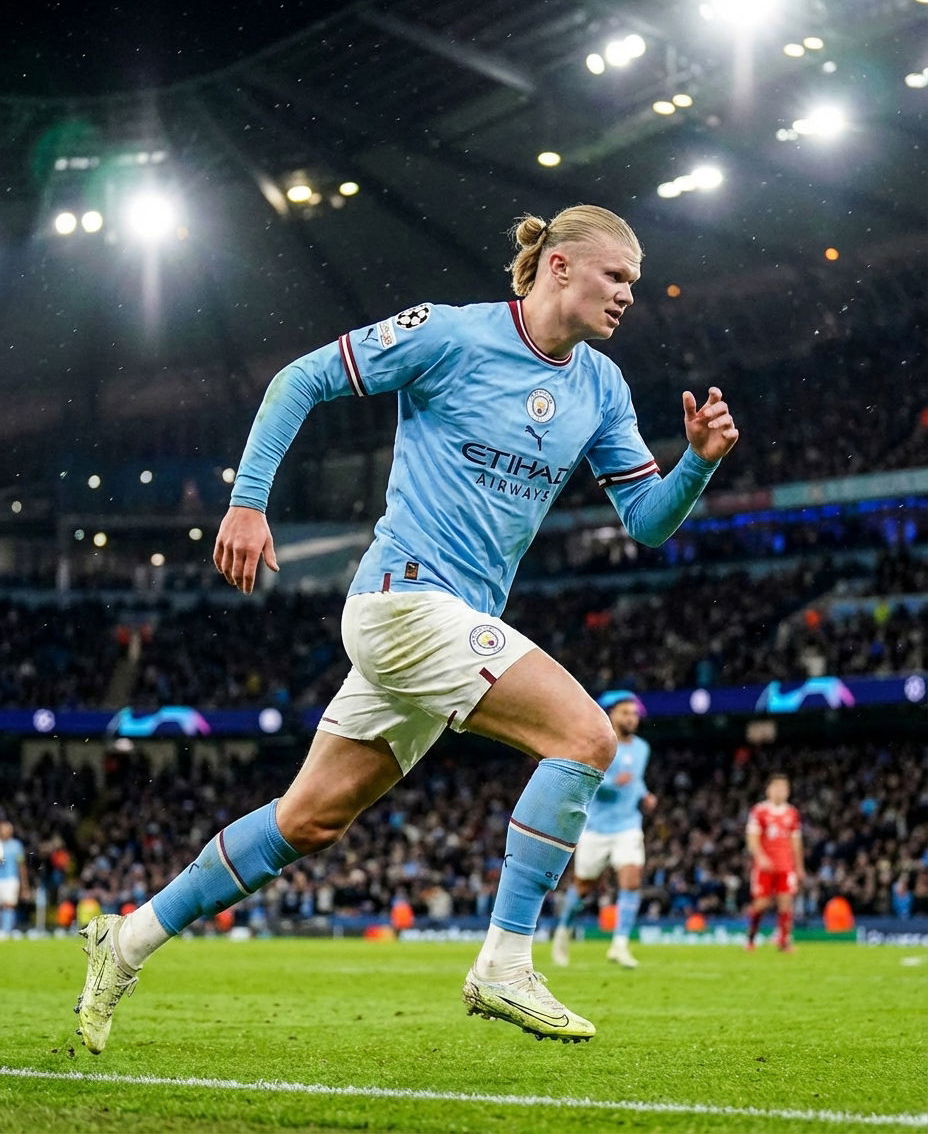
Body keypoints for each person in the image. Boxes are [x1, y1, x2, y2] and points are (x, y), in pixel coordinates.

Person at [75, 204, 739, 1053]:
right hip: (403, 599)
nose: (627, 297)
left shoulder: (602, 386)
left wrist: (695, 464)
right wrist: (247, 503)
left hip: (452, 620)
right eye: (616, 277)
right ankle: (504, 963)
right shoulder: (453, 336)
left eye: (634, 285)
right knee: (586, 736)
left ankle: (125, 941)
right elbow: (300, 379)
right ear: (560, 267)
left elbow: (646, 521)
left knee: (307, 821)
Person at [551, 691, 656, 969]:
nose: (631, 718)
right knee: (584, 887)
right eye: (625, 713)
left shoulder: (642, 748)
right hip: (596, 827)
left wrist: (644, 794)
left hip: (628, 825)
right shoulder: (600, 744)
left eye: (634, 713)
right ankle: (563, 930)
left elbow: (636, 779)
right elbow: (589, 778)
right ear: (611, 715)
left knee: (632, 880)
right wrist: (612, 783)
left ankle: (619, 945)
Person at [745, 773, 804, 951]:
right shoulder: (759, 811)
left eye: (784, 788)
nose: (780, 791)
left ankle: (784, 941)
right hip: (765, 866)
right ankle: (751, 936)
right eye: (776, 787)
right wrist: (760, 857)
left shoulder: (792, 813)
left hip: (785, 865)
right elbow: (752, 838)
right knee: (762, 904)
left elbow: (796, 842)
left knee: (786, 903)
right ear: (768, 790)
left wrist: (799, 867)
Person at [0, 820, 30, 937]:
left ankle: (6, 930)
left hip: (12, 879)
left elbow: (21, 865)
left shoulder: (16, 845)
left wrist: (24, 885)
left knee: (9, 904)